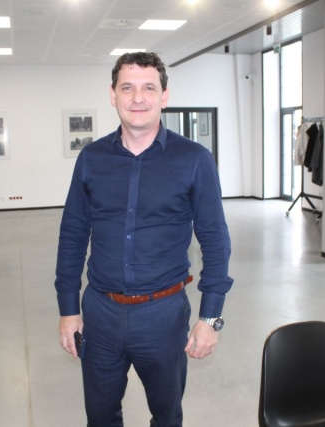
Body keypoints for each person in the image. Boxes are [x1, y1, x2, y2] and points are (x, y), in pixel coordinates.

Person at [54, 52, 233, 427]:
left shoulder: (194, 159)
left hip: (163, 315)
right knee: (100, 418)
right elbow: (72, 235)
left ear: (164, 96)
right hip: (100, 313)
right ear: (112, 95)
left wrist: (210, 317)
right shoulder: (91, 158)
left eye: (149, 88)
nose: (138, 98)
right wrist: (68, 310)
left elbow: (215, 240)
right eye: (127, 88)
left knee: (167, 417)